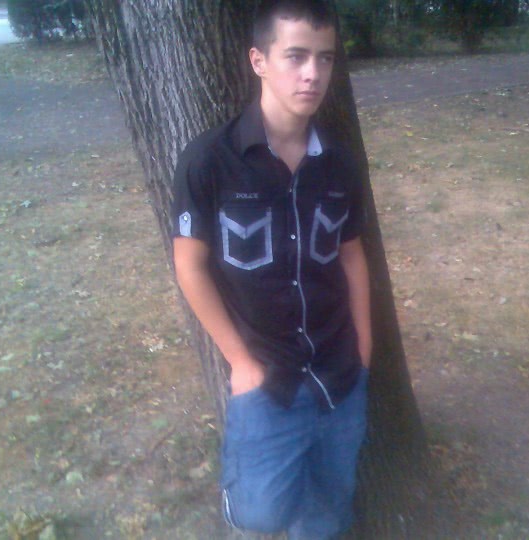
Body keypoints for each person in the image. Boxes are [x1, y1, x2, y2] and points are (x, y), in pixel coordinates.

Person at [170, 1, 372, 538]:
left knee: (330, 504)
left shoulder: (341, 163)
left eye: (325, 58)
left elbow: (352, 253)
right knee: (259, 514)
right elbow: (189, 265)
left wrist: (365, 348)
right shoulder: (209, 160)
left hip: (339, 369)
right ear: (259, 61)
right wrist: (240, 362)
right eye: (296, 56)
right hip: (267, 374)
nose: (313, 74)